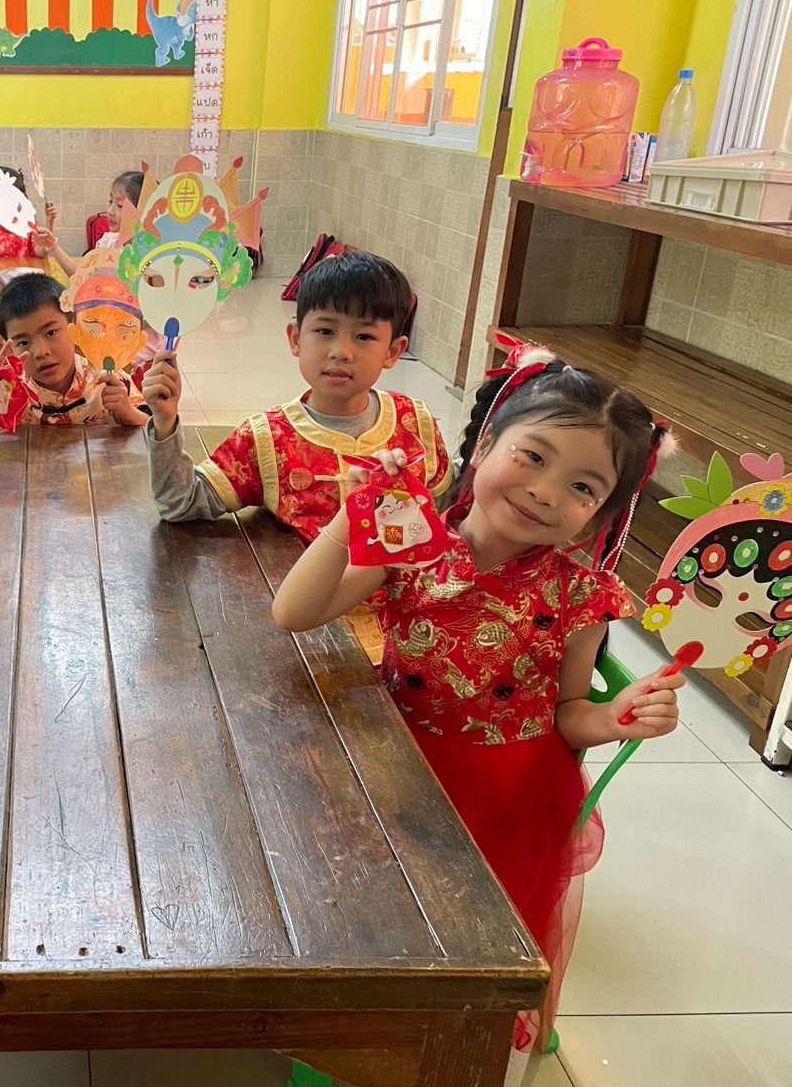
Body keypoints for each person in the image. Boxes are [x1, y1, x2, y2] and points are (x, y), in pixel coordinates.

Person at [271, 352, 683, 1070]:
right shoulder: (414, 542)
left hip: (508, 791)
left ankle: (447, 1037)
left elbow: (569, 712)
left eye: (582, 486)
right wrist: (350, 517)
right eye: (533, 455)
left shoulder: (580, 593)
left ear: (599, 514)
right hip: (394, 768)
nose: (544, 492)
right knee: (379, 910)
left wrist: (615, 716)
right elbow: (293, 614)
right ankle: (366, 1019)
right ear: (486, 443)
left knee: (471, 935)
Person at [143, 251, 452, 538]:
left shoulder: (415, 423)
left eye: (364, 336)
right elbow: (180, 503)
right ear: (295, 338)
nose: (341, 352)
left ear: (393, 351)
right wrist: (165, 423)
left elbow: (448, 515)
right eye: (326, 331)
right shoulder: (267, 439)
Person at [0, 272, 147, 427]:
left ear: (74, 328)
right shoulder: (5, 392)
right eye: (23, 343)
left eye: (51, 333)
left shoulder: (109, 382)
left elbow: (155, 429)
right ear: (10, 349)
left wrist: (130, 414)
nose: (40, 352)